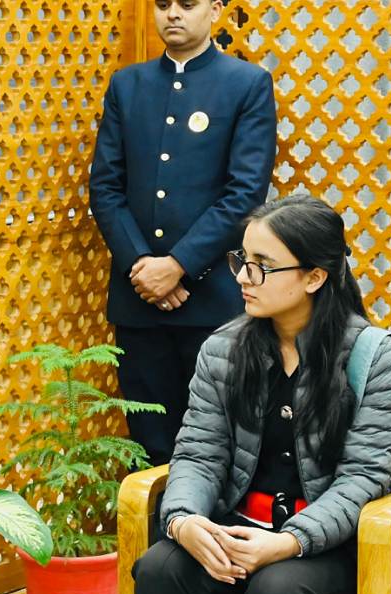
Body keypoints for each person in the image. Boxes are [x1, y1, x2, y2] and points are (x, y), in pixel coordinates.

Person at [131, 195, 391, 594]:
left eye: (262, 266)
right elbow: (199, 454)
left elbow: (362, 480)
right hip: (240, 529)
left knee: (276, 592)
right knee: (161, 571)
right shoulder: (222, 349)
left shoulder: (374, 357)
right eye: (241, 260)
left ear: (314, 277)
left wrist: (289, 542)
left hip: (335, 544)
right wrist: (184, 521)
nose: (243, 277)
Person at [89, 0, 277, 465]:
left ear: (215, 10)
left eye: (187, 4)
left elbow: (245, 193)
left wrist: (177, 266)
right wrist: (142, 267)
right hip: (138, 303)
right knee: (150, 449)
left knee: (220, 448)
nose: (172, 13)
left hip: (212, 302)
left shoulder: (246, 84)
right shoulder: (127, 85)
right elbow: (105, 187)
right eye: (163, 4)